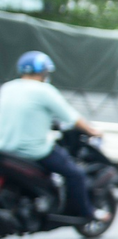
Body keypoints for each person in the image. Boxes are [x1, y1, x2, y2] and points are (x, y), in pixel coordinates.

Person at [0, 51, 103, 219]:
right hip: (33, 152)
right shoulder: (44, 91)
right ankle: (86, 212)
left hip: (4, 150)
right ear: (44, 72)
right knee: (75, 174)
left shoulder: (7, 87)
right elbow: (72, 117)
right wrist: (93, 131)